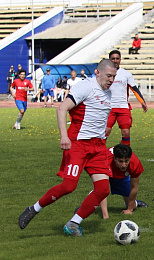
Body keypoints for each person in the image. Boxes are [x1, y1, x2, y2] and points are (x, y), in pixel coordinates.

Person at [18, 59, 117, 237]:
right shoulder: (85, 87)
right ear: (97, 72)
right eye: (109, 75)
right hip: (78, 144)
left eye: (114, 76)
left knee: (103, 189)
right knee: (68, 186)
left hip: (97, 146)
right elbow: (62, 108)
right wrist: (64, 135)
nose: (111, 79)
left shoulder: (108, 92)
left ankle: (73, 223)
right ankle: (34, 208)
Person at [106, 50, 147, 146]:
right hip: (108, 108)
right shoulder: (104, 74)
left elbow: (134, 89)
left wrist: (142, 102)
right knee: (105, 132)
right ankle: (100, 156)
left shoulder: (126, 74)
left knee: (126, 133)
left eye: (117, 58)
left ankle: (125, 155)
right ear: (109, 60)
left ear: (120, 60)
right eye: (113, 58)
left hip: (123, 107)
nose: (115, 60)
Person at [98, 144, 147, 219]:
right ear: (115, 158)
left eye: (126, 161)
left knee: (132, 206)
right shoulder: (105, 161)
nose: (124, 165)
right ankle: (91, 200)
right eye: (120, 161)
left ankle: (135, 203)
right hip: (106, 172)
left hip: (121, 176)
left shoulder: (135, 163)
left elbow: (134, 187)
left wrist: (129, 209)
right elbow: (101, 188)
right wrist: (105, 216)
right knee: (101, 190)